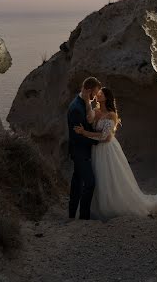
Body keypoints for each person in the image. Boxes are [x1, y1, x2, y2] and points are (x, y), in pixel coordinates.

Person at [74, 87, 157, 220]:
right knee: (97, 177)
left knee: (109, 177)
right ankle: (93, 207)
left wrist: (85, 133)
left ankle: (112, 206)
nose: (98, 94)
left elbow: (106, 137)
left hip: (107, 150)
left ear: (107, 97)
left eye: (101, 93)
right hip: (96, 149)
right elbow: (88, 119)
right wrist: (87, 101)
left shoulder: (111, 115)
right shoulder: (96, 111)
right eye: (98, 93)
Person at [67, 76, 102, 219]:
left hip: (82, 150)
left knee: (77, 182)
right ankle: (84, 217)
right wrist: (96, 140)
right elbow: (77, 137)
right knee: (90, 183)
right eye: (94, 93)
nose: (96, 96)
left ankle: (71, 214)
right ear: (88, 90)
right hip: (79, 151)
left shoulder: (85, 103)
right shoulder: (76, 108)